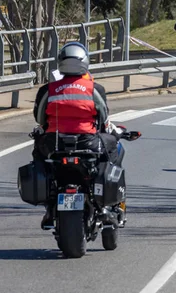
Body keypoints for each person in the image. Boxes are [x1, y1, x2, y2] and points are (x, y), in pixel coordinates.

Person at [32, 42, 123, 230]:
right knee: (113, 149)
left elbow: (39, 118)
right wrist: (113, 133)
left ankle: (49, 206)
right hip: (88, 143)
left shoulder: (48, 89)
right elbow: (103, 118)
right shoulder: (94, 89)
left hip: (55, 144)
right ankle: (108, 203)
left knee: (38, 156)